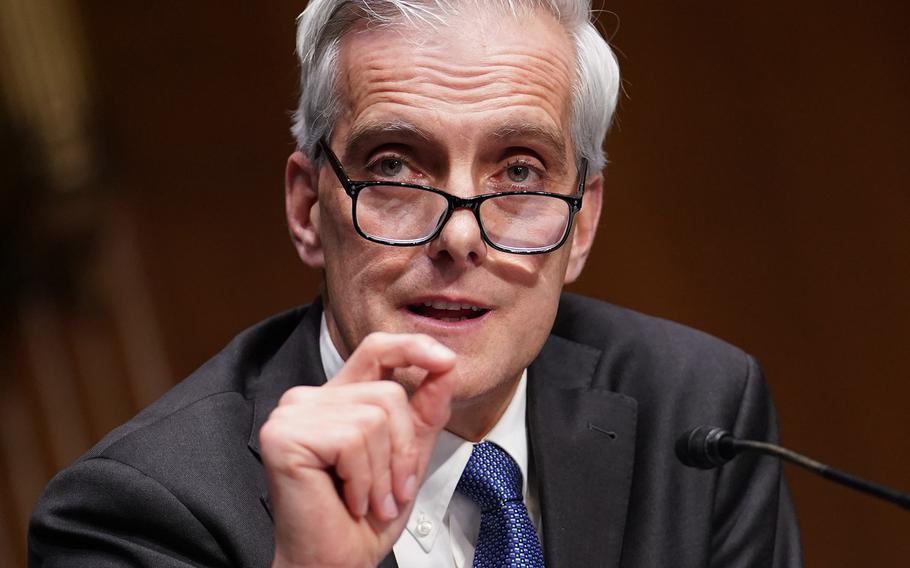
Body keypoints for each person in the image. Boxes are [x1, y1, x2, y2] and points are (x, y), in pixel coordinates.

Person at [29, 1, 802, 566]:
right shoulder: (136, 516)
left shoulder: (699, 414)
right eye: (395, 165)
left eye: (521, 171)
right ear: (307, 208)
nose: (460, 235)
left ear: (582, 224)